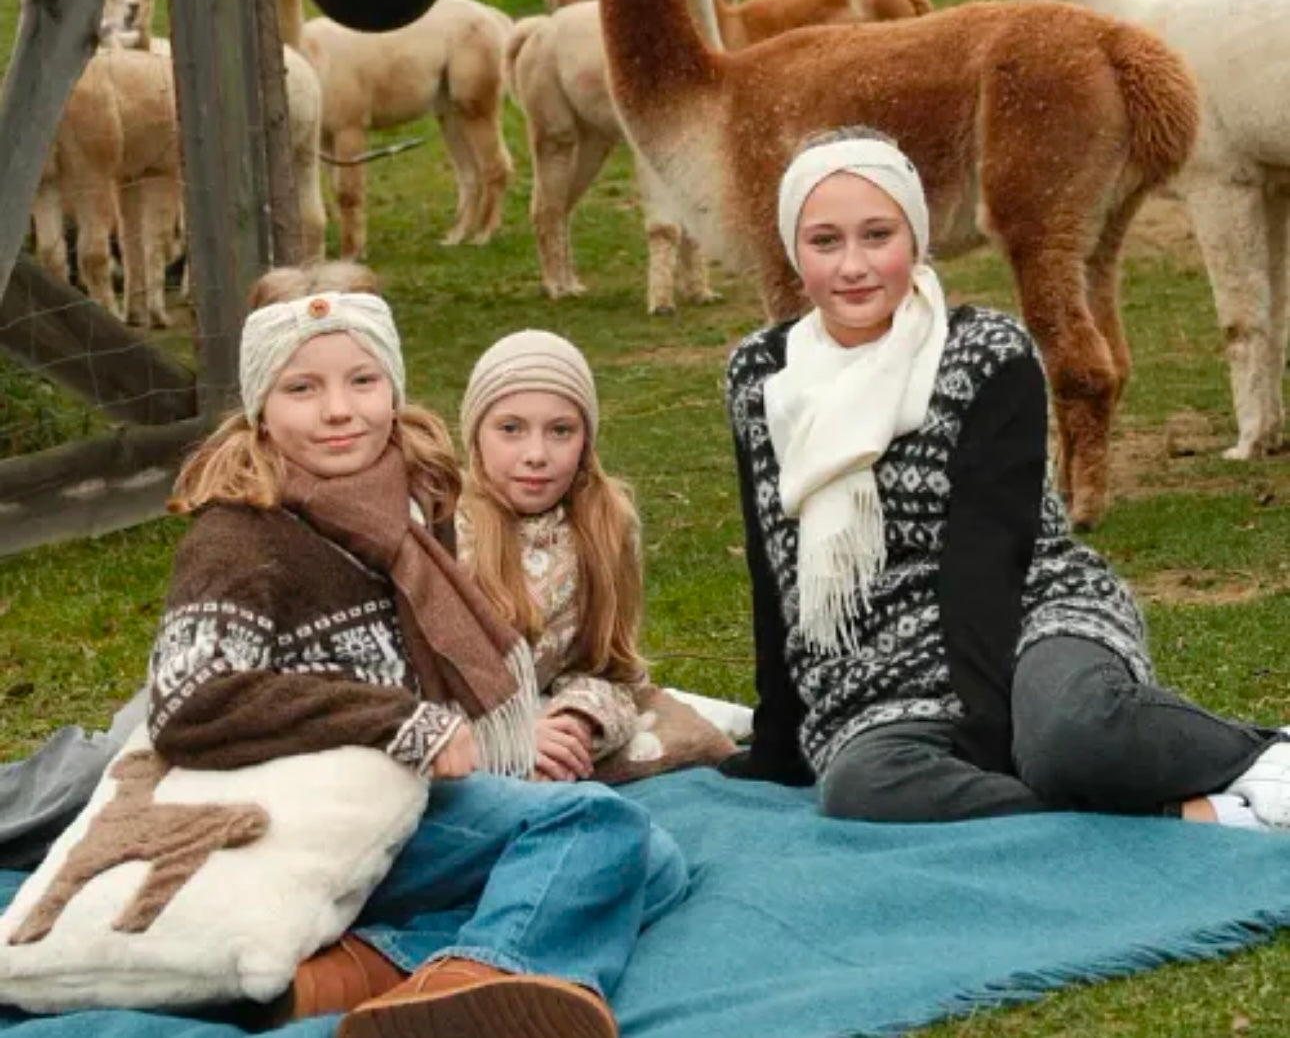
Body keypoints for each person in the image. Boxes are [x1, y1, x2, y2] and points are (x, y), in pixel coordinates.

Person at [147, 263, 686, 1038]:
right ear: (261, 406)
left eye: (362, 380)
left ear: (393, 387)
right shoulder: (244, 534)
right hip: (309, 811)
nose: (339, 411)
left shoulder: (406, 510)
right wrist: (403, 721)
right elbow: (185, 701)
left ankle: (361, 974)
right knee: (597, 835)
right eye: (303, 389)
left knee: (655, 868)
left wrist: (525, 719)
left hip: (399, 796)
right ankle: (491, 975)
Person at [720, 126, 1290, 831]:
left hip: (1030, 616)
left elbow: (990, 560)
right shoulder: (762, 377)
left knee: (1068, 738)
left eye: (878, 235)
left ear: (916, 238)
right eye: (825, 241)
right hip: (877, 674)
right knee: (861, 787)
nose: (854, 265)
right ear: (792, 251)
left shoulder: (984, 352)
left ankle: (1265, 754)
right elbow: (773, 562)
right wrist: (779, 740)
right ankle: (1185, 813)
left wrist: (987, 739)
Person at [456, 330, 647, 782]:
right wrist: (508, 740)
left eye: (561, 431)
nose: (536, 455)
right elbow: (395, 691)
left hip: (548, 737)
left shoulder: (606, 526)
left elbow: (613, 672)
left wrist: (578, 722)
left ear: (586, 440)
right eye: (510, 429)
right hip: (450, 748)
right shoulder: (438, 530)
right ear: (475, 434)